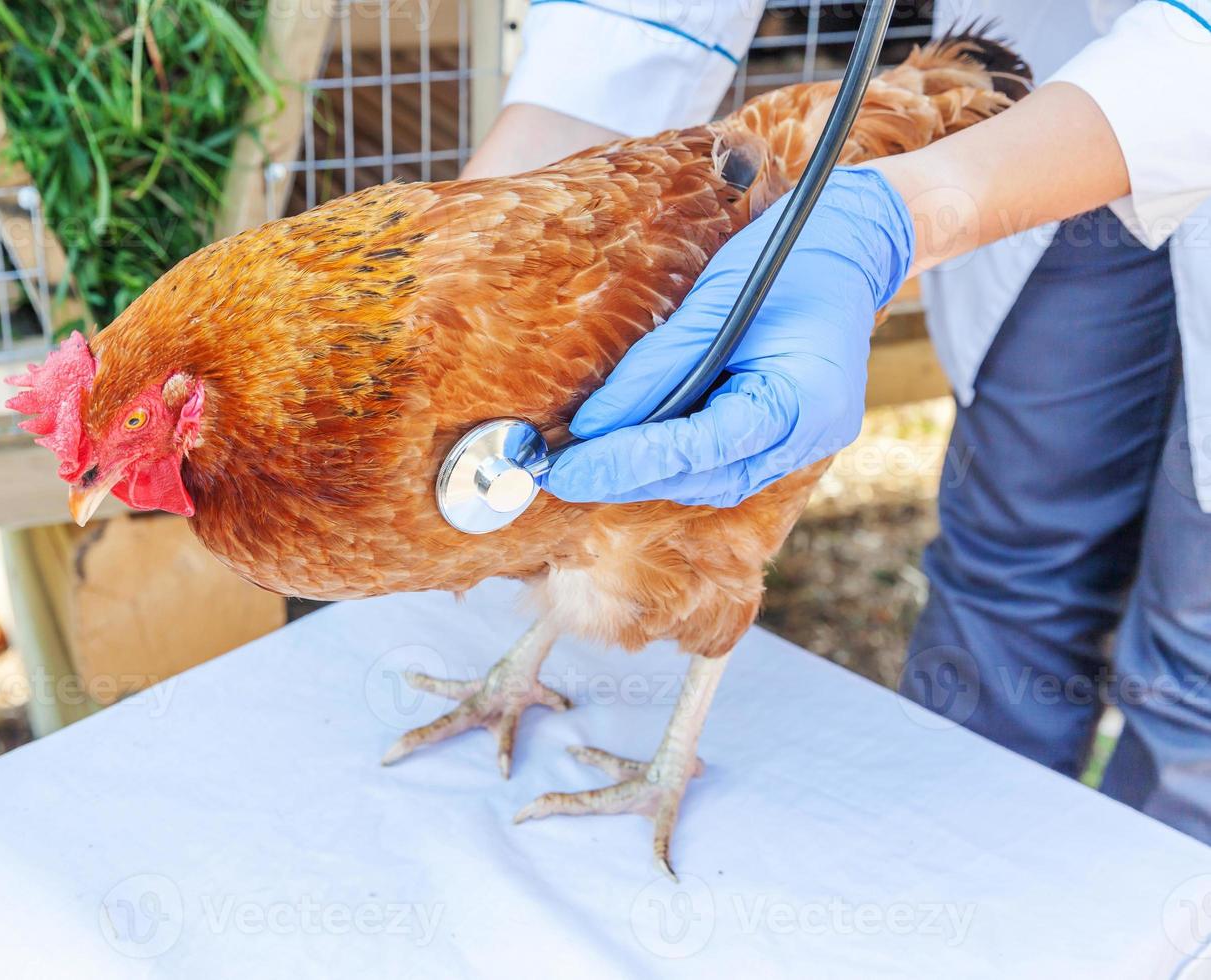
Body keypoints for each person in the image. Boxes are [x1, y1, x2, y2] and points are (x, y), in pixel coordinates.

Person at [463, 0, 1211, 844]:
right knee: (1017, 558)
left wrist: (888, 222)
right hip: (1064, 58)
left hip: (1151, 81)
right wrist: (478, 227)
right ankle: (964, 878)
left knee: (1202, 648)